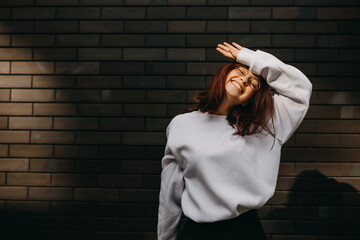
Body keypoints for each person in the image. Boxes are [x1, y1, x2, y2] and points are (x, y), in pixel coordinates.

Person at [157, 42, 313, 240]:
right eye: (240, 71)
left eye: (253, 83)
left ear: (250, 98)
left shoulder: (267, 124)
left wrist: (250, 59)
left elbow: (301, 88)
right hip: (197, 233)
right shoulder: (181, 125)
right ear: (225, 73)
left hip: (244, 231)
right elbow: (170, 194)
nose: (245, 80)